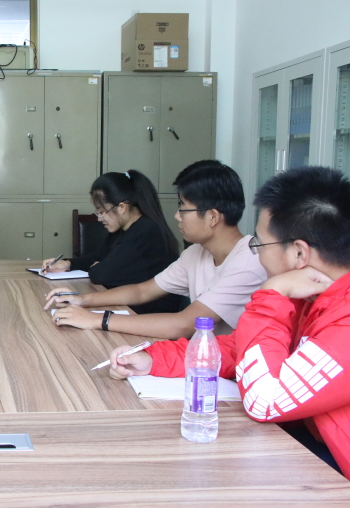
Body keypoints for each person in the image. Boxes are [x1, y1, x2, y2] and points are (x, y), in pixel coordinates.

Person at [107, 166, 350, 476]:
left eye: (259, 244)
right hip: (306, 444)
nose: (255, 254)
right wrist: (152, 359)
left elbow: (265, 401)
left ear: (299, 254)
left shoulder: (339, 320)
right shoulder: (309, 298)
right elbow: (238, 351)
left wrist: (272, 292)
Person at [44, 160, 267, 338]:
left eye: (183, 208)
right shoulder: (195, 253)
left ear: (212, 217)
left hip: (227, 373)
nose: (177, 216)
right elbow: (142, 291)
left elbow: (183, 325)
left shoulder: (248, 263)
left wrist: (96, 320)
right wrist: (82, 300)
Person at [40, 169, 182, 314]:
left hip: (151, 312)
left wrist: (98, 267)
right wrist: (68, 264)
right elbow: (95, 257)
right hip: (129, 304)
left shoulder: (146, 230)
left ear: (121, 207)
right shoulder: (122, 230)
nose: (99, 218)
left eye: (102, 212)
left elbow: (101, 275)